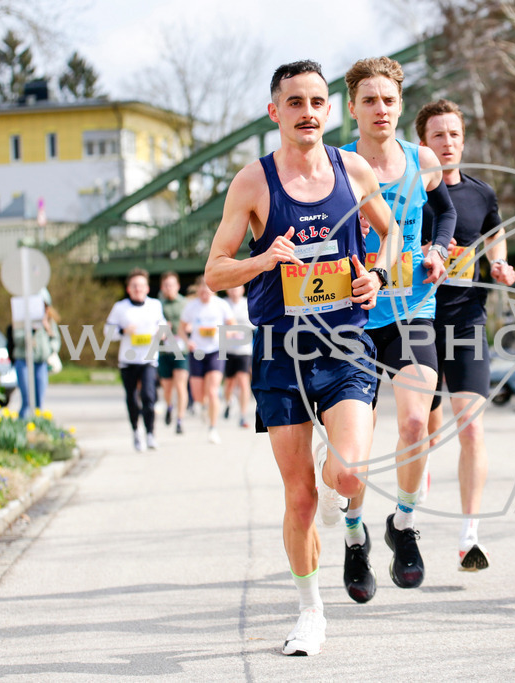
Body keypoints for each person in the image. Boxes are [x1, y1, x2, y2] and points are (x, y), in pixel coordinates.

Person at [204, 59, 400, 656]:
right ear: (275, 112)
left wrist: (379, 273)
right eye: (295, 102)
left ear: (329, 111)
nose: (308, 112)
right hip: (278, 349)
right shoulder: (252, 183)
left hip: (345, 343)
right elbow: (215, 272)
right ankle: (310, 611)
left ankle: (354, 525)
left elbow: (390, 233)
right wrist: (265, 259)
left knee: (344, 473)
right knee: (299, 495)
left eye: (317, 101)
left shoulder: (354, 169)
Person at [339, 56, 456, 599]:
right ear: (353, 108)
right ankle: (354, 532)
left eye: (388, 100)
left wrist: (434, 248)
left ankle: (404, 524)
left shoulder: (422, 158)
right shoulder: (336, 164)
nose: (380, 109)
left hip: (412, 308)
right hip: (352, 316)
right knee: (353, 456)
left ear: (400, 104)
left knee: (415, 424)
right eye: (369, 100)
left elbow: (446, 214)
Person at [414, 99, 515, 571]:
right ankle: (418, 473)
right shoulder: (411, 192)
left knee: (472, 425)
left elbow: (495, 235)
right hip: (418, 320)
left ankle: (469, 534)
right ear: (423, 143)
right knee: (425, 430)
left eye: (454, 134)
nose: (448, 142)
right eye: (438, 135)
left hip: (467, 317)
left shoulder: (481, 193)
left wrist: (499, 263)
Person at [104, 268, 168, 451]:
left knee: (149, 396)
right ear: (128, 289)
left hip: (148, 359)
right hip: (128, 360)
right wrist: (123, 331)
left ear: (147, 288)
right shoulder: (120, 308)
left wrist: (161, 332)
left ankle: (150, 434)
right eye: (134, 286)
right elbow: (107, 332)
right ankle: (135, 431)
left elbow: (162, 324)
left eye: (141, 286)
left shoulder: (155, 305)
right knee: (132, 398)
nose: (138, 289)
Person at [179, 276, 235, 445]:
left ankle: (213, 428)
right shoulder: (191, 307)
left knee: (212, 391)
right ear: (197, 290)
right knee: (197, 395)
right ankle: (203, 407)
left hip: (216, 351)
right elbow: (181, 329)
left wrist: (224, 334)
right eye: (201, 289)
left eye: (208, 288)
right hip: (196, 352)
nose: (205, 292)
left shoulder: (221, 305)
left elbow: (233, 327)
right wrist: (187, 341)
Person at [9, 293, 60, 420]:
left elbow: (56, 340)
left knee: (39, 402)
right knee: (27, 400)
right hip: (24, 362)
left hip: (40, 363)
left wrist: (48, 331)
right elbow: (18, 340)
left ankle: (37, 430)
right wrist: (31, 329)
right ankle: (22, 429)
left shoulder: (48, 320)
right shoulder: (22, 320)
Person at [157, 271, 189, 435]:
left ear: (177, 286)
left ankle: (180, 419)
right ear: (162, 287)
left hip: (181, 350)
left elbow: (192, 323)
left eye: (172, 284)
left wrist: (187, 329)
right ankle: (169, 406)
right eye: (166, 285)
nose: (169, 288)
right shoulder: (157, 305)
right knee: (167, 388)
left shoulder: (185, 303)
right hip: (163, 351)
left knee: (180, 385)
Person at [221, 284, 254, 428]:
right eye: (232, 289)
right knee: (229, 383)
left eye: (237, 289)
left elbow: (254, 324)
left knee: (243, 380)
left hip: (244, 350)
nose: (234, 292)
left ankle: (243, 415)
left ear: (242, 290)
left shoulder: (248, 303)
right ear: (227, 290)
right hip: (227, 349)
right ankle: (229, 402)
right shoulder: (223, 304)